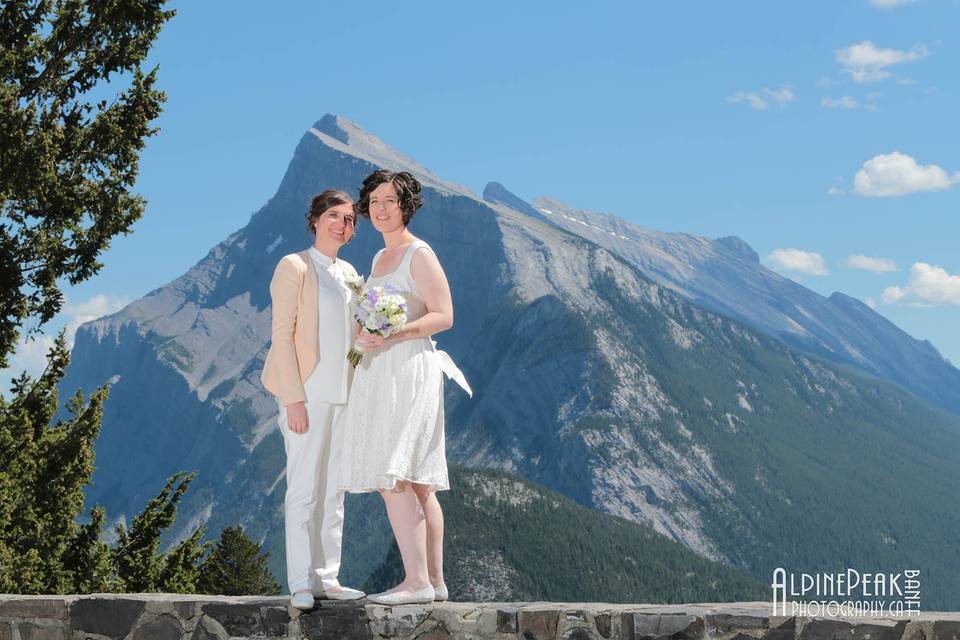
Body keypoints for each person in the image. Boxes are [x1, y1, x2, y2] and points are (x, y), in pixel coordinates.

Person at [338, 169, 471, 606]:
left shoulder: (419, 254)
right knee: (416, 483)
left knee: (394, 473)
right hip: (381, 369)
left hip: (409, 368)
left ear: (406, 206)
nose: (380, 208)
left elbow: (445, 315)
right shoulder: (379, 259)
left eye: (389, 201)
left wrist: (394, 334)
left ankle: (415, 582)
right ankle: (434, 582)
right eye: (373, 201)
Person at [261, 189, 366, 610]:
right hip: (306, 392)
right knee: (303, 490)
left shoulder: (352, 273)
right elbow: (281, 336)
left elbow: (354, 335)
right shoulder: (294, 266)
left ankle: (327, 577)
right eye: (334, 215)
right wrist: (293, 399)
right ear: (316, 219)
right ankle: (300, 583)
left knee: (334, 490)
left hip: (344, 394)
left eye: (350, 219)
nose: (342, 224)